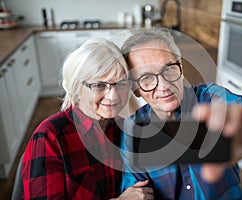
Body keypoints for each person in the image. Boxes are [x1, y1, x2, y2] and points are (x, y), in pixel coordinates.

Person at [119, 28, 242, 199]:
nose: (164, 86)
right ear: (136, 89)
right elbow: (135, 190)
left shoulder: (210, 96)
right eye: (146, 78)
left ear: (181, 67)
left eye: (169, 69)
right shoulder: (133, 130)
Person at [22, 38, 153, 199]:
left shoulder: (125, 129)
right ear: (76, 88)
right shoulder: (49, 138)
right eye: (99, 85)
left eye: (121, 84)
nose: (113, 96)